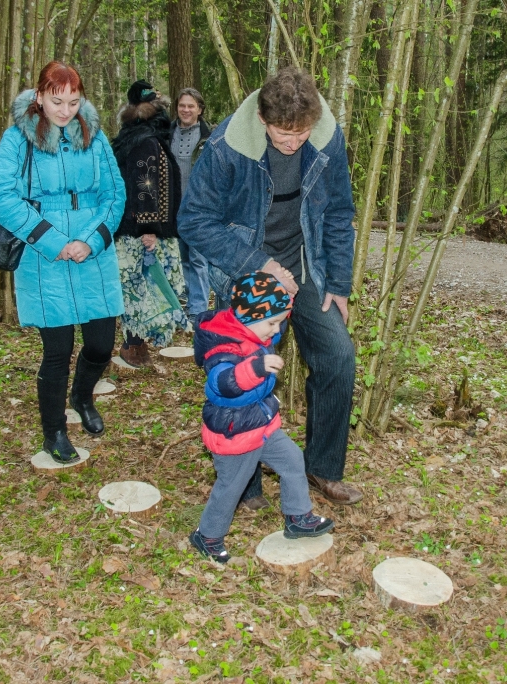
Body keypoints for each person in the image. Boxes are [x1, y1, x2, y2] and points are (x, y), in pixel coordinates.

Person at [179, 67, 361, 506]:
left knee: (339, 357)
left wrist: (338, 282)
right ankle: (246, 482)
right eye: (284, 133)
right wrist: (258, 263)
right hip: (246, 273)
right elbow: (193, 221)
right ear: (263, 119)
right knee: (242, 373)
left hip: (307, 264)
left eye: (301, 133)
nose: (294, 142)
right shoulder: (226, 148)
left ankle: (322, 467)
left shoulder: (327, 137)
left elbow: (338, 211)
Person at [0, 61, 125, 464]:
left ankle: (82, 397)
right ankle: (54, 432)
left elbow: (115, 194)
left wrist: (93, 239)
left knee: (100, 344)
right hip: (43, 256)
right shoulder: (17, 140)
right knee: (57, 350)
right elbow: (2, 198)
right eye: (57, 101)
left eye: (74, 101)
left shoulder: (95, 137)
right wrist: (53, 240)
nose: (65, 111)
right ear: (39, 97)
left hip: (92, 254)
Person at [189, 272, 335, 563]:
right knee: (232, 486)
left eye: (278, 321)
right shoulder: (224, 346)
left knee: (293, 459)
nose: (275, 330)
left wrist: (287, 299)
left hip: (261, 424)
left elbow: (272, 325)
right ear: (247, 317)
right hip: (236, 433)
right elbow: (220, 385)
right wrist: (254, 369)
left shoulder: (255, 328)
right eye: (271, 323)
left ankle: (298, 517)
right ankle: (207, 535)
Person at [111, 80, 190, 367]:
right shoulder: (145, 140)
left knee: (140, 289)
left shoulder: (134, 136)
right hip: (141, 233)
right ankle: (133, 348)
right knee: (141, 290)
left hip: (134, 229)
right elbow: (145, 186)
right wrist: (149, 229)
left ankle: (134, 346)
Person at [170, 87, 213, 318]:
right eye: (182, 105)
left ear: (199, 109)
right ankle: (187, 305)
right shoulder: (167, 134)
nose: (186, 110)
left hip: (199, 209)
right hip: (174, 207)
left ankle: (199, 311)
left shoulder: (210, 137)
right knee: (182, 257)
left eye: (191, 106)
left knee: (198, 258)